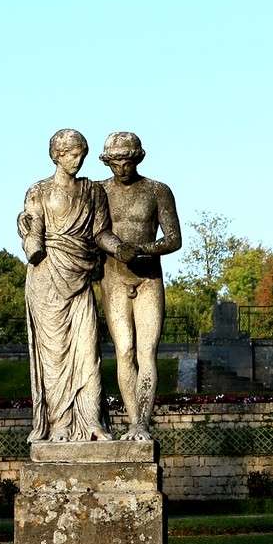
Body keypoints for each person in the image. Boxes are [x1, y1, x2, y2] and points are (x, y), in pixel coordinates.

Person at [18, 129, 135, 442]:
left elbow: (100, 233)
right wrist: (29, 233)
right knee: (53, 356)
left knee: (88, 352)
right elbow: (34, 237)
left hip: (80, 277)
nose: (78, 160)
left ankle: (92, 423)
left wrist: (119, 247)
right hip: (46, 278)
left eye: (82, 154)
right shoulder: (38, 191)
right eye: (72, 154)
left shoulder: (93, 191)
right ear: (57, 155)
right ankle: (59, 426)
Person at [99, 132, 182, 441]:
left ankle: (141, 424)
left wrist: (145, 249)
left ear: (138, 158)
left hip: (148, 278)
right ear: (107, 161)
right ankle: (132, 419)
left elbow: (174, 239)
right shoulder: (99, 191)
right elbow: (93, 232)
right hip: (114, 277)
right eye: (115, 162)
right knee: (124, 350)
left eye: (128, 161)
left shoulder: (157, 190)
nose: (122, 168)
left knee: (147, 351)